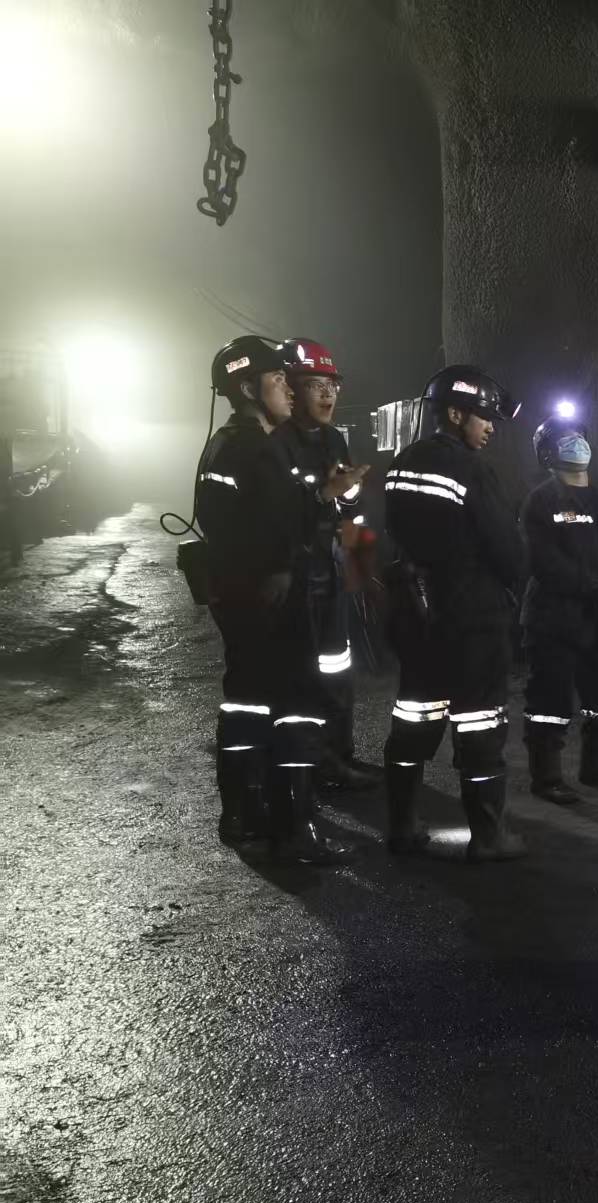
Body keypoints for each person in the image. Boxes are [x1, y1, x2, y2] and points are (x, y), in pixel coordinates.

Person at [198, 335, 352, 864]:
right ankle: (295, 827)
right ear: (248, 389)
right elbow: (273, 526)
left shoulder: (228, 444)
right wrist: (281, 567)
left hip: (243, 597)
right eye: (278, 379)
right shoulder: (254, 449)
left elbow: (255, 519)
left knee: (247, 702)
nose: (289, 387)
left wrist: (323, 497)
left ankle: (244, 814)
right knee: (296, 707)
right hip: (269, 600)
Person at [381, 365, 528, 861]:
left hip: (417, 616)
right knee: (480, 723)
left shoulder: (402, 462)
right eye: (484, 418)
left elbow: (392, 534)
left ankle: (402, 824)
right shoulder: (471, 470)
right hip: (472, 620)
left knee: (414, 717)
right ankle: (488, 837)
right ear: (455, 413)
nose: (490, 428)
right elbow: (508, 551)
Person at [519, 408, 598, 803]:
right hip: (555, 619)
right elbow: (545, 561)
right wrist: (594, 587)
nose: (576, 442)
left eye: (579, 435)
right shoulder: (540, 502)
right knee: (550, 698)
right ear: (547, 453)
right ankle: (547, 777)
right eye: (565, 437)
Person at [276, 338, 377, 788]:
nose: (327, 394)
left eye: (332, 384)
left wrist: (356, 560)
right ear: (289, 388)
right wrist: (324, 495)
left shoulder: (334, 438)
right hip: (293, 576)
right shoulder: (275, 442)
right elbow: (275, 517)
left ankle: (339, 755)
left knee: (338, 666)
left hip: (331, 569)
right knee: (301, 675)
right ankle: (305, 765)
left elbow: (350, 509)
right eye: (314, 384)